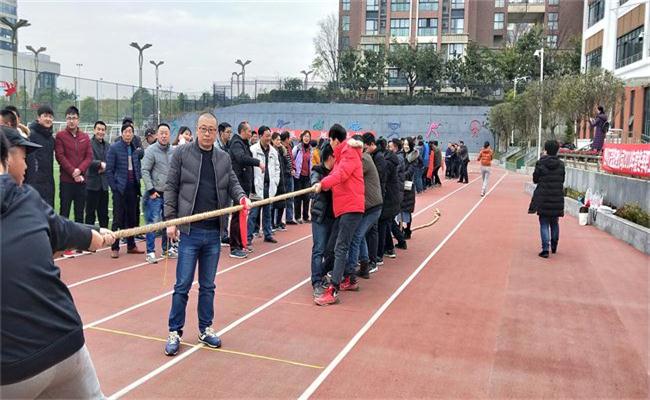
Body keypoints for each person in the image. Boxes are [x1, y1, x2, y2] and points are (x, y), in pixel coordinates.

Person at [0, 128, 115, 399]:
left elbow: (67, 231)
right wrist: (94, 236)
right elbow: (69, 232)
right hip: (66, 345)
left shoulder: (28, 199)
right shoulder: (28, 199)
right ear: (6, 158)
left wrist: (93, 234)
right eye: (23, 157)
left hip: (12, 369)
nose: (27, 166)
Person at [163, 112, 249, 356]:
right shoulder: (181, 154)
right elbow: (171, 186)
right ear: (196, 129)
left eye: (211, 129)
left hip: (213, 233)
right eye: (203, 129)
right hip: (190, 232)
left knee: (208, 285)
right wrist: (171, 220)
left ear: (216, 131)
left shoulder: (223, 157)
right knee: (182, 285)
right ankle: (174, 331)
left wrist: (242, 198)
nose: (207, 134)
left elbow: (232, 183)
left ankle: (205, 328)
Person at [312, 124, 364, 306]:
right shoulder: (341, 155)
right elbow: (334, 174)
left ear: (335, 140)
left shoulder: (349, 153)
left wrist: (323, 184)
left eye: (330, 140)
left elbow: (341, 175)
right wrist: (320, 183)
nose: (329, 143)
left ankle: (333, 290)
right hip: (344, 208)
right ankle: (349, 279)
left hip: (351, 207)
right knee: (334, 247)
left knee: (340, 248)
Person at [106, 123, 144, 258]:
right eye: (126, 131)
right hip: (120, 188)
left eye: (130, 132)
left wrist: (137, 180)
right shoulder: (114, 148)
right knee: (117, 218)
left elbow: (137, 165)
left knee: (132, 218)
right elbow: (109, 170)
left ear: (133, 134)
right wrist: (114, 188)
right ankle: (114, 247)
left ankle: (131, 245)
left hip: (133, 187)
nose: (128, 134)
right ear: (122, 133)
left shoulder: (134, 148)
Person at [347, 135, 383, 279]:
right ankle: (364, 266)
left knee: (356, 236)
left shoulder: (364, 159)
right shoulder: (364, 158)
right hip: (369, 206)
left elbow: (349, 174)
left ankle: (351, 272)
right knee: (359, 236)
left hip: (372, 207)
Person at [141, 123, 175, 264]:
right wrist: (151, 190)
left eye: (166, 133)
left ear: (169, 135)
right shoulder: (151, 150)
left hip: (169, 194)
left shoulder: (173, 151)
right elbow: (145, 170)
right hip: (155, 194)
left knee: (169, 221)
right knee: (153, 222)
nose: (164, 136)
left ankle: (167, 249)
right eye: (161, 133)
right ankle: (150, 251)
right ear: (157, 135)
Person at [55, 106, 93, 227]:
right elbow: (60, 156)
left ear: (78, 120)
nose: (71, 121)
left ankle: (79, 238)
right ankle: (63, 238)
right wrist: (73, 172)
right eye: (69, 118)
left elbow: (89, 157)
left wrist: (79, 170)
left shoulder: (85, 137)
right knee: (64, 213)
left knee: (79, 214)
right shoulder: (60, 136)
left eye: (74, 118)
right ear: (66, 119)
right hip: (66, 182)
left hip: (81, 182)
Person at [228, 121, 261, 258]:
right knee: (236, 216)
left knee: (242, 216)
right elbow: (241, 159)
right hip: (238, 186)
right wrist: (258, 162)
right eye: (248, 131)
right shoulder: (236, 143)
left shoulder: (244, 144)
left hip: (245, 185)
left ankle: (241, 243)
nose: (250, 133)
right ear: (242, 131)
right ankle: (234, 247)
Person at [529, 140, 565, 259]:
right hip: (556, 196)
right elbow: (562, 180)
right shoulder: (561, 164)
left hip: (543, 196)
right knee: (554, 222)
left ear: (546, 149)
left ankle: (545, 249)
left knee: (544, 222)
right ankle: (554, 245)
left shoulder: (541, 163)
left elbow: (535, 179)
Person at [309, 144, 335, 298]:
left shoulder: (336, 171)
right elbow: (314, 183)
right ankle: (317, 282)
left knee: (331, 250)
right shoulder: (317, 171)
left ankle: (322, 273)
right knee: (319, 249)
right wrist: (317, 185)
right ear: (330, 157)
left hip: (334, 216)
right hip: (320, 217)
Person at [248, 126, 280, 245]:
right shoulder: (253, 150)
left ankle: (268, 234)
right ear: (260, 136)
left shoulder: (273, 151)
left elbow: (277, 168)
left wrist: (275, 181)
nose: (268, 138)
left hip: (269, 185)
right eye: (266, 136)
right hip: (256, 186)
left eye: (269, 136)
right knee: (253, 214)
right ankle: (248, 237)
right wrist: (252, 184)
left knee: (268, 212)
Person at [24, 105, 56, 207]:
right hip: (34, 183)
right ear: (38, 118)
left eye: (50, 117)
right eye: (45, 116)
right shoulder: (31, 135)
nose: (48, 119)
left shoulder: (51, 139)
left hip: (49, 183)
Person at [84, 121, 110, 228]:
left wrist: (104, 167)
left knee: (104, 215)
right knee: (90, 214)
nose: (100, 132)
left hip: (104, 186)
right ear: (94, 130)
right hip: (92, 185)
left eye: (103, 130)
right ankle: (90, 236)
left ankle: (105, 236)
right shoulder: (88, 144)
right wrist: (101, 164)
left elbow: (111, 162)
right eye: (98, 129)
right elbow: (89, 160)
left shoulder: (108, 145)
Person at [292, 130, 313, 223]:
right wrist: (294, 169)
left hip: (307, 176)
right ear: (302, 137)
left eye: (308, 136)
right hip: (298, 176)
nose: (306, 138)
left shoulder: (311, 149)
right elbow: (292, 159)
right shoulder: (297, 148)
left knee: (307, 197)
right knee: (298, 197)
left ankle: (305, 217)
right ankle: (297, 217)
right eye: (305, 136)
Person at [400, 137, 419, 240]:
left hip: (408, 186)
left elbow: (410, 172)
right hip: (400, 186)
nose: (405, 146)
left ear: (411, 145)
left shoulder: (414, 157)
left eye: (407, 144)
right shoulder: (401, 155)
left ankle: (407, 230)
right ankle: (400, 229)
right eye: (404, 144)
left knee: (407, 209)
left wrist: (399, 175)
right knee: (399, 209)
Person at [272, 131, 290, 231]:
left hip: (283, 179)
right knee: (273, 204)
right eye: (277, 140)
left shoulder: (282, 151)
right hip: (274, 180)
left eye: (279, 140)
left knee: (282, 203)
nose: (279, 141)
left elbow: (287, 163)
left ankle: (279, 222)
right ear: (272, 140)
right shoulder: (271, 151)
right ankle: (272, 224)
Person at [280, 131, 297, 225]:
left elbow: (291, 160)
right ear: (286, 139)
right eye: (289, 138)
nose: (290, 139)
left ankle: (289, 217)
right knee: (281, 198)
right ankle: (278, 220)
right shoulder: (280, 148)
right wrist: (288, 170)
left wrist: (293, 169)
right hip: (283, 175)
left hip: (290, 175)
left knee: (290, 196)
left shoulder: (289, 147)